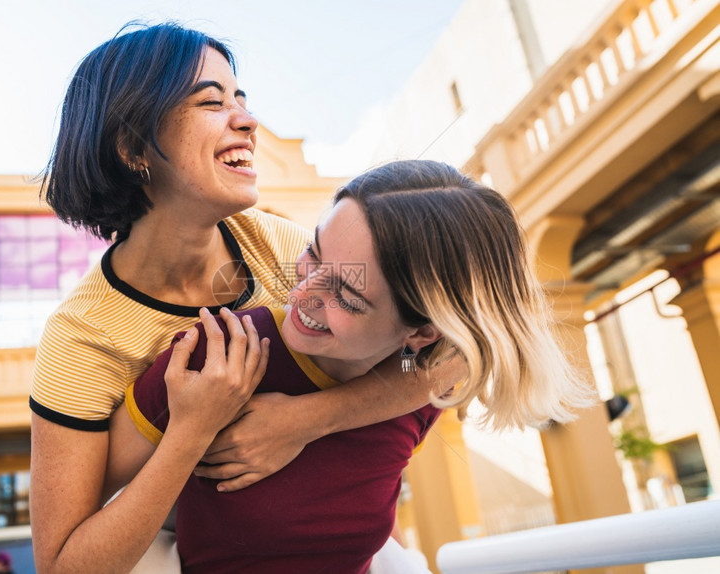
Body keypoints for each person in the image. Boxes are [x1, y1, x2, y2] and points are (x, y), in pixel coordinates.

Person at [29, 23, 464, 574]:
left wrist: (305, 420)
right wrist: (190, 434)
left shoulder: (284, 245)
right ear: (133, 147)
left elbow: (440, 356)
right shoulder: (81, 338)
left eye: (241, 98)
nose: (248, 120)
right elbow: (62, 564)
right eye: (212, 102)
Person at [111, 160, 596, 572]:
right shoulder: (220, 353)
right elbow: (84, 524)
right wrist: (190, 435)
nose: (301, 294)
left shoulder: (422, 386)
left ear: (423, 333)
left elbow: (368, 495)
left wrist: (310, 420)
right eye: (313, 253)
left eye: (346, 293)